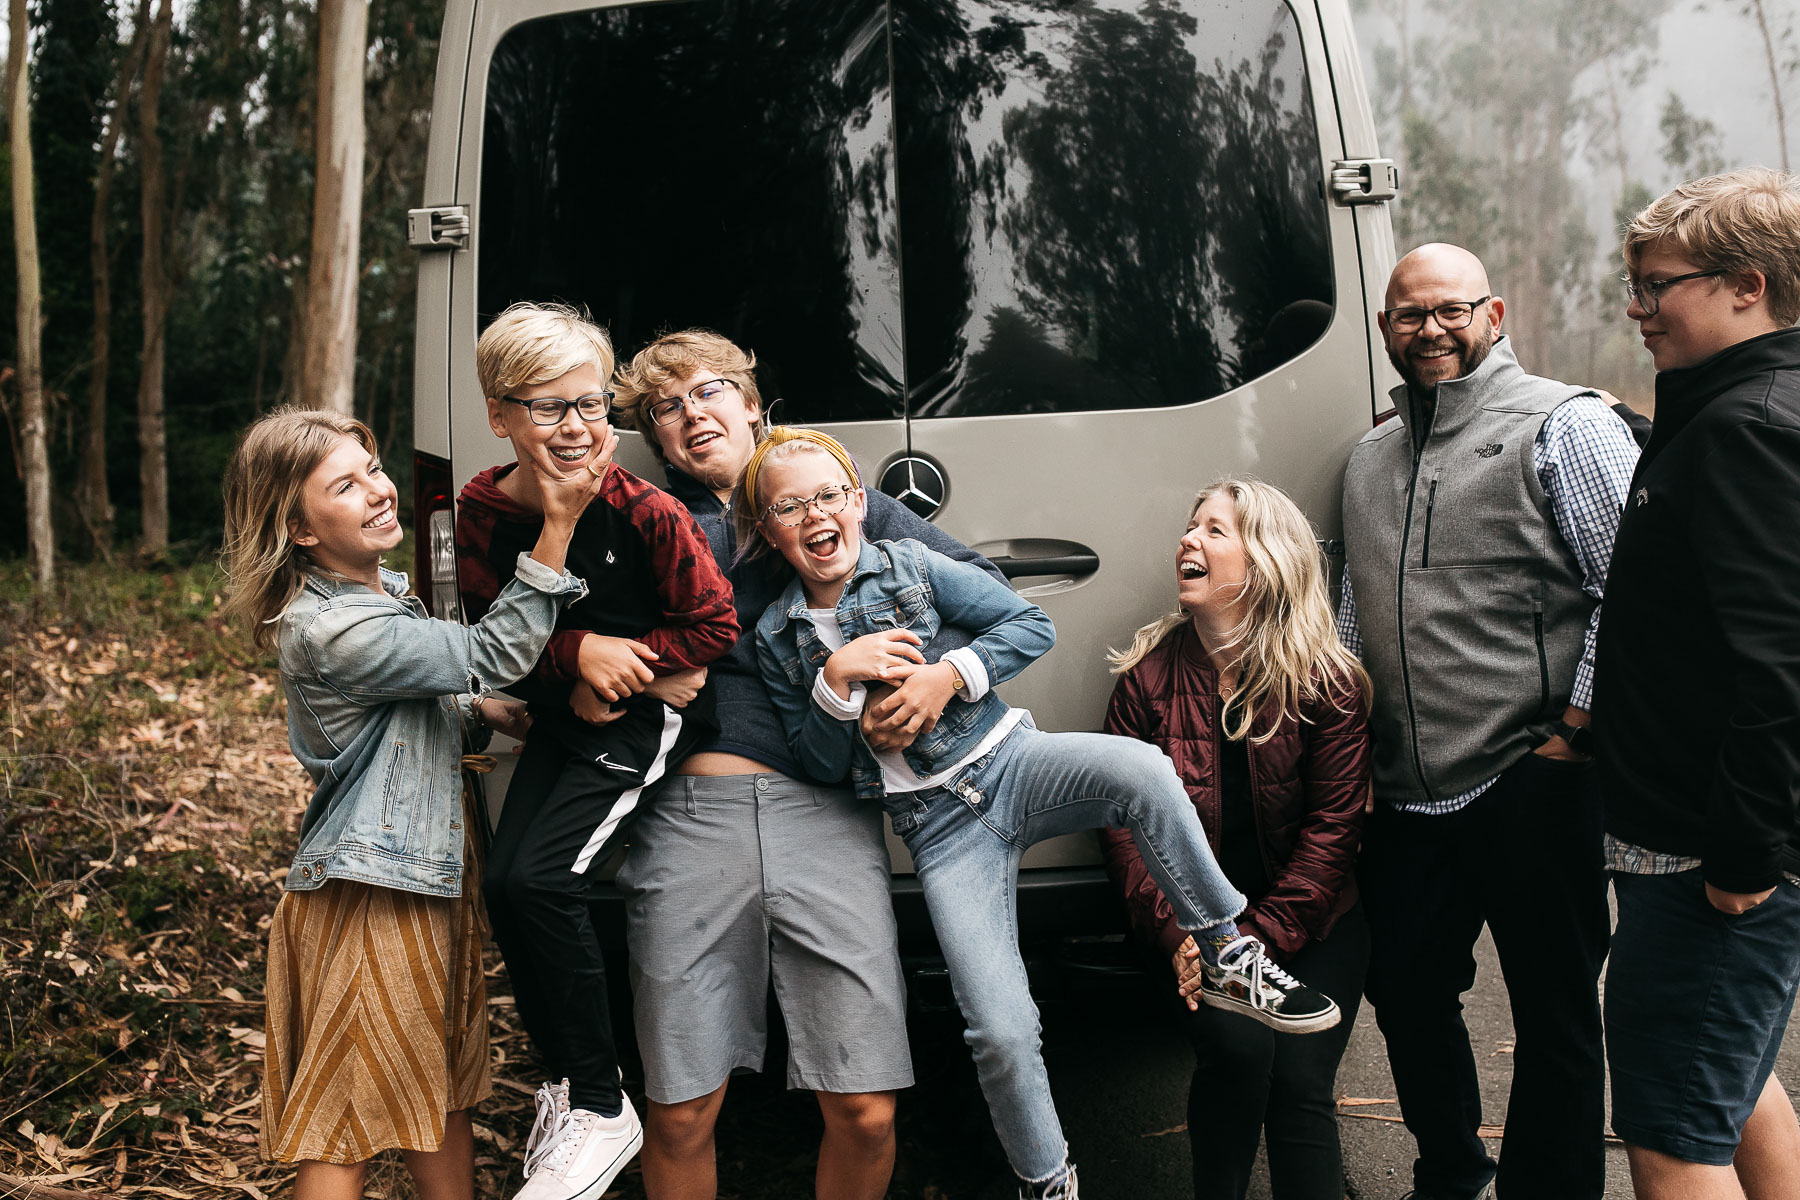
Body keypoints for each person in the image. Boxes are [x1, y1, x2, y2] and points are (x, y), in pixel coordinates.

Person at [746, 426, 1341, 1200]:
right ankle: (1047, 1180)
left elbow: (1029, 625)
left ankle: (1226, 950)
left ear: (859, 502)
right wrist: (833, 683)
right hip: (939, 830)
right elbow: (819, 763)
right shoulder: (776, 636)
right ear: (768, 530)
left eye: (828, 494)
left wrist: (948, 677)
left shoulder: (915, 565)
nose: (814, 514)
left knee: (1141, 767)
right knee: (997, 1027)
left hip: (1014, 764)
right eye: (790, 506)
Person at [610, 330, 999, 1200]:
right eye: (665, 408)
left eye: (708, 391)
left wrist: (931, 677)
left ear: (753, 404)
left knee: (864, 1107)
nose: (689, 414)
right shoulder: (645, 519)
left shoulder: (821, 493)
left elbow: (975, 589)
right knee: (679, 1108)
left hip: (823, 813)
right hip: (689, 819)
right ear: (656, 437)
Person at [220, 407, 600, 1200]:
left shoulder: (385, 598)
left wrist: (479, 710)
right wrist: (556, 528)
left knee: (440, 1086)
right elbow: (489, 652)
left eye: (373, 469)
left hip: (428, 880)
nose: (378, 491)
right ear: (296, 527)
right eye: (345, 485)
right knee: (345, 1113)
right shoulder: (329, 626)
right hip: (370, 895)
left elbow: (398, 718)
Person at [1337, 243, 1640, 1200]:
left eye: (1449, 311)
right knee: (1408, 993)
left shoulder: (1565, 425)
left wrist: (1575, 732)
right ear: (1385, 327)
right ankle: (1453, 1173)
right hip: (1407, 792)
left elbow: (1633, 591)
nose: (1429, 330)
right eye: (1407, 315)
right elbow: (1356, 602)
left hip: (1531, 776)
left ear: (1494, 314)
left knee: (1556, 1013)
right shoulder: (1369, 454)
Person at [454, 304, 739, 1200]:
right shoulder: (481, 510)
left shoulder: (645, 509)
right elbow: (486, 635)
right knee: (505, 882)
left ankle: (606, 1101)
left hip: (643, 725)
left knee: (544, 879)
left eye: (590, 405)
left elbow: (715, 624)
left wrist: (637, 674)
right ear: (500, 415)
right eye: (548, 410)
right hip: (567, 712)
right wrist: (578, 661)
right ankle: (572, 1091)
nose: (577, 429)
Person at [1595, 167, 1800, 1200]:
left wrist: (1743, 859)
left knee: (1676, 1137)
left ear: (1745, 285)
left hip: (1708, 863)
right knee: (1735, 1081)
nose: (1639, 307)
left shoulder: (1746, 429)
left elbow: (1786, 666)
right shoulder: (1727, 413)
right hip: (1693, 851)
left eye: (1657, 284)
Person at [1101, 478, 1371, 1200]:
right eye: (1191, 528)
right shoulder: (1146, 682)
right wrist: (1185, 942)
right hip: (1192, 935)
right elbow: (1123, 832)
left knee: (1301, 1079)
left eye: (1215, 530)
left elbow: (1333, 831)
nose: (1189, 540)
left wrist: (1250, 948)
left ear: (1265, 561)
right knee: (1238, 1052)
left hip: (1314, 924)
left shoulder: (1327, 682)